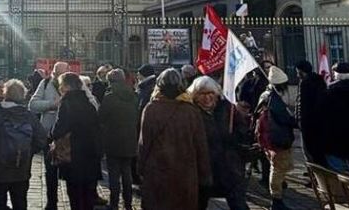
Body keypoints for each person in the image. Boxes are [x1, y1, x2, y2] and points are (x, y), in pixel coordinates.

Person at [138, 68, 211, 210]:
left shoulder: (151, 109)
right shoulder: (191, 111)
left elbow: (143, 144)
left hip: (157, 173)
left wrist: (140, 169)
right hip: (185, 175)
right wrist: (204, 175)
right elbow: (201, 146)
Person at [0, 79, 47, 210]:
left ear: (5, 93)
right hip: (21, 169)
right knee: (20, 204)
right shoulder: (29, 116)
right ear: (23, 95)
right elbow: (42, 139)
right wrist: (28, 152)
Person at [190, 76, 251, 210]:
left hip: (229, 167)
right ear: (195, 96)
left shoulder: (227, 108)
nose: (207, 98)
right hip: (204, 169)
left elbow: (243, 132)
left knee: (238, 203)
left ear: (217, 94)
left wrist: (236, 138)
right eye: (202, 94)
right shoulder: (191, 113)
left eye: (210, 93)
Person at [50, 73, 102, 210]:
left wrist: (52, 135)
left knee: (75, 194)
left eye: (61, 85)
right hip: (90, 154)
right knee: (87, 194)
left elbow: (59, 129)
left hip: (74, 154)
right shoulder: (89, 103)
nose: (60, 88)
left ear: (67, 86)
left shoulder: (67, 103)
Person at [29, 61, 69, 210]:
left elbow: (93, 105)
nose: (60, 77)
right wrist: (52, 104)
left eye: (63, 74)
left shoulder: (76, 83)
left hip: (68, 136)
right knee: (50, 170)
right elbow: (32, 105)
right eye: (57, 73)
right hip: (49, 134)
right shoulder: (45, 84)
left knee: (70, 171)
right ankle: (51, 202)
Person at [255, 65, 297, 210]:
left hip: (269, 138)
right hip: (277, 138)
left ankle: (277, 191)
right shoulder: (274, 99)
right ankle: (276, 198)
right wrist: (294, 121)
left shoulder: (266, 95)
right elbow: (284, 118)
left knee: (279, 166)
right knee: (278, 168)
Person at [96, 68, 137, 210]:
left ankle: (114, 204)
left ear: (110, 81)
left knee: (114, 175)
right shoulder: (133, 95)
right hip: (130, 139)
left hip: (113, 140)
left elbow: (100, 118)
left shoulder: (109, 97)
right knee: (127, 173)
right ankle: (128, 204)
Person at [294, 60, 327, 166]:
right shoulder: (320, 81)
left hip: (307, 123)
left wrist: (298, 120)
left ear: (302, 72)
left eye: (298, 72)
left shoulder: (304, 83)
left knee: (307, 151)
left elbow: (302, 104)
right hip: (320, 121)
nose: (297, 75)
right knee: (318, 150)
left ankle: (314, 175)